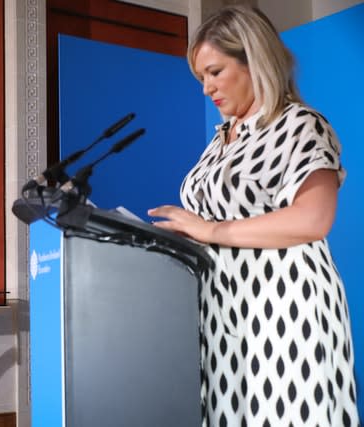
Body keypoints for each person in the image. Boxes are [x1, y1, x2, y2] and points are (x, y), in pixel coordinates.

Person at [148, 5, 359, 426]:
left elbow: (312, 220)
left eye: (214, 72)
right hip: (223, 316)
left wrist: (210, 230)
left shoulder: (300, 125)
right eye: (201, 78)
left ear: (253, 60)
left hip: (284, 311)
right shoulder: (220, 142)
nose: (206, 89)